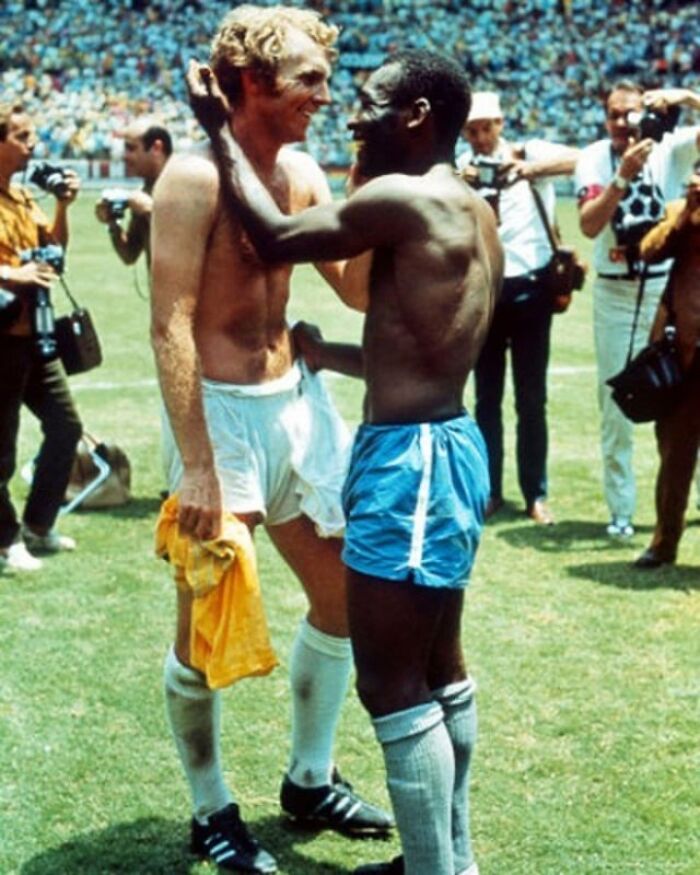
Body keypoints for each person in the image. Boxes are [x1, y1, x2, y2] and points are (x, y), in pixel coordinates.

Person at [186, 43, 502, 875]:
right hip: (447, 444)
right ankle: (450, 855)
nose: (351, 113)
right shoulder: (468, 204)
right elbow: (428, 346)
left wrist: (218, 129)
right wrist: (336, 355)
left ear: (417, 117)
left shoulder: (402, 194)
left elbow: (276, 235)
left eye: (367, 100)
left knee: (392, 685)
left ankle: (436, 869)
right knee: (439, 669)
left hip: (412, 461)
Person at [150, 7, 390, 874]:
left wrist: (376, 177)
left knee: (343, 602)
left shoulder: (302, 170)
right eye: (308, 81)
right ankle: (211, 809)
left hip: (297, 406)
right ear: (252, 84)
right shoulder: (189, 178)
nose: (323, 95)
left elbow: (356, 292)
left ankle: (309, 777)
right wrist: (201, 461)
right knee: (205, 630)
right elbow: (171, 326)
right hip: (220, 417)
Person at [575, 82, 700, 538]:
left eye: (632, 113)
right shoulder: (594, 157)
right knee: (617, 406)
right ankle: (620, 511)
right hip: (615, 291)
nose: (624, 123)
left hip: (666, 293)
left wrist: (686, 98)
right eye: (614, 115)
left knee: (685, 401)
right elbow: (588, 225)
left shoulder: (672, 149)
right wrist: (622, 175)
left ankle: (690, 505)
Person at [457, 91, 578, 525]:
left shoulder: (529, 154)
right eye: (472, 130)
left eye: (487, 127)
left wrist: (529, 169)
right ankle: (490, 492)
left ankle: (535, 493)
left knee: (532, 399)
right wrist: (462, 181)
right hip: (484, 292)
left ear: (501, 124)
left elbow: (582, 160)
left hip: (531, 289)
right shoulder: (460, 169)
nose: (480, 137)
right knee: (486, 398)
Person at [0, 103, 82, 574]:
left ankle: (37, 523)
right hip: (2, 337)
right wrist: (13, 272)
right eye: (21, 136)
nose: (32, 145)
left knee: (66, 426)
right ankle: (5, 539)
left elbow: (54, 248)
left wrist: (63, 207)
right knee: (1, 444)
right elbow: (22, 267)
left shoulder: (22, 196)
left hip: (35, 333)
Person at [634, 159, 700, 569]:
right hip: (686, 353)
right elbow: (649, 251)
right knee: (675, 451)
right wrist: (686, 216)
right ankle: (664, 542)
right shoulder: (681, 211)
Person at [95, 118, 172, 266]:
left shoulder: (186, 185)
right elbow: (129, 254)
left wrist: (150, 211)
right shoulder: (144, 193)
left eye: (131, 148)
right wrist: (113, 223)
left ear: (156, 148)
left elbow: (188, 243)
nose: (125, 156)